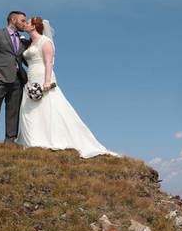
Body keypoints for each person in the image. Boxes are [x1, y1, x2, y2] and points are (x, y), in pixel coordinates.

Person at [16, 16, 116, 158]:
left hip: (43, 74)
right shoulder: (30, 43)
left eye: (27, 23)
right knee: (30, 108)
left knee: (49, 106)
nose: (25, 24)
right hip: (31, 76)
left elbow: (49, 62)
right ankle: (32, 138)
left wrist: (47, 81)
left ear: (33, 26)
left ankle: (52, 137)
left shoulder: (46, 42)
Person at [0, 11, 30, 143]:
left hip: (17, 80)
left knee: (13, 112)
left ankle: (10, 140)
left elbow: (27, 59)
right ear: (13, 20)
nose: (25, 23)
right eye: (23, 21)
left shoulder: (23, 40)